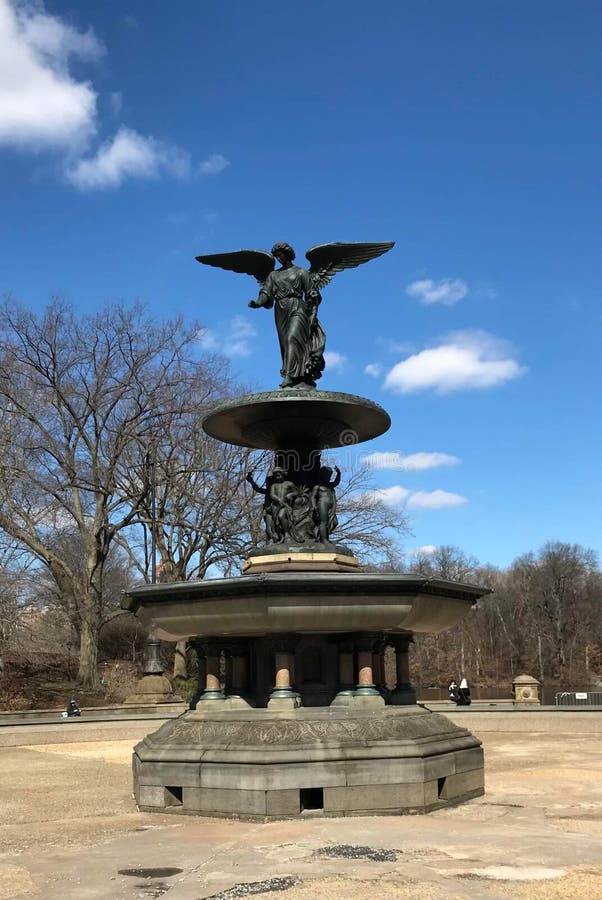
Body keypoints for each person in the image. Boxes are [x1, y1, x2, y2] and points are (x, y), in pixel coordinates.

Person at [249, 242, 325, 388]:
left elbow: (311, 294)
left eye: (281, 255)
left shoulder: (301, 272)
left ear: (288, 254)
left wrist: (313, 314)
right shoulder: (273, 275)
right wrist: (258, 303)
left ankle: (289, 376)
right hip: (280, 310)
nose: (279, 258)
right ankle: (298, 375)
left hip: (298, 307)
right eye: (276, 256)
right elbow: (266, 292)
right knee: (285, 343)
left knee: (292, 338)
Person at [312, 465, 341, 543]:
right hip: (322, 504)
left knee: (334, 522)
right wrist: (314, 506)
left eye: (330, 475)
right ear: (323, 475)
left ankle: (324, 537)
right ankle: (324, 540)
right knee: (323, 522)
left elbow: (336, 482)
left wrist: (338, 473)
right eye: (327, 475)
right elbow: (313, 497)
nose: (329, 477)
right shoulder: (318, 485)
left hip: (331, 507)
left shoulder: (329, 485)